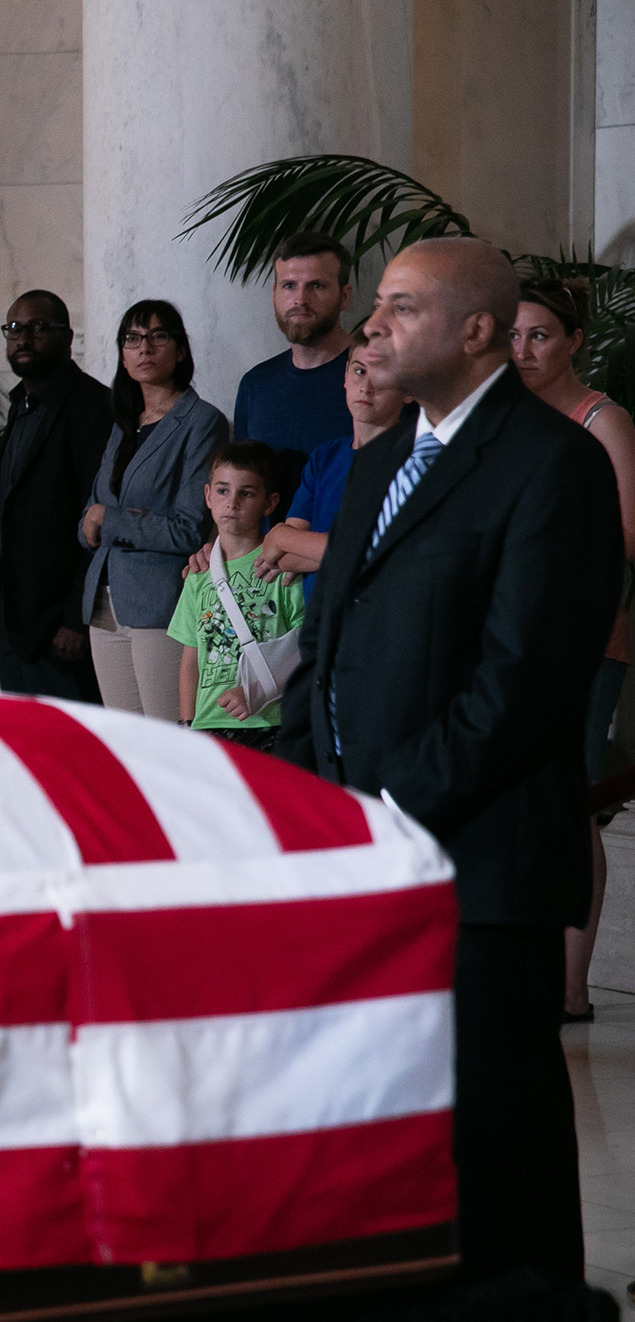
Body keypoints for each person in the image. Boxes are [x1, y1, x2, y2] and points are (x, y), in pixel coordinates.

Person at [276, 237, 620, 1282]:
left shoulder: (553, 465)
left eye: (399, 307)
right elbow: (322, 650)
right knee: (386, 1143)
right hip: (363, 852)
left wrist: (383, 800)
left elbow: (521, 687)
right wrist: (300, 793)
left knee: (493, 1145)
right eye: (375, 305)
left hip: (478, 863)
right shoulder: (381, 459)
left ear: (478, 331)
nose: (372, 326)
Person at [510, 276, 635, 1023]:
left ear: (575, 341)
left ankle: (572, 981)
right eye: (514, 335)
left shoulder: (602, 419)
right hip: (511, 633)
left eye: (541, 336)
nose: (524, 351)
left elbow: (627, 535)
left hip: (586, 634)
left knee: (573, 802)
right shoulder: (506, 416)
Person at [78, 300, 229, 721]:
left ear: (180, 350)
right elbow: (91, 511)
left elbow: (188, 528)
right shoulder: (125, 422)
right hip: (104, 603)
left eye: (158, 336)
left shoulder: (202, 422)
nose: (144, 347)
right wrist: (100, 521)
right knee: (127, 744)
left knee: (166, 742)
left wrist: (110, 520)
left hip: (160, 602)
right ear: (123, 356)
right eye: (133, 339)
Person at [183, 328, 411, 600]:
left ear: (408, 388)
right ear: (346, 377)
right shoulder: (324, 457)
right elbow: (281, 556)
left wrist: (283, 536)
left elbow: (383, 551)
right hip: (320, 619)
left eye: (382, 374)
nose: (366, 387)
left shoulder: (414, 458)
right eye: (360, 371)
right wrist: (291, 542)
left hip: (381, 612)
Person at [0, 290, 111, 700]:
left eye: (37, 328)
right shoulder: (22, 403)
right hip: (11, 613)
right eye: (14, 329)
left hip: (58, 625)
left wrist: (76, 618)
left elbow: (99, 518)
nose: (23, 339)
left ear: (68, 338)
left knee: (67, 751)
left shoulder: (93, 406)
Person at [166, 443, 302, 752]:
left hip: (270, 721)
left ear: (270, 502)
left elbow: (304, 643)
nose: (233, 503)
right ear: (208, 496)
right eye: (223, 491)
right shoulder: (199, 574)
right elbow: (191, 659)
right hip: (208, 724)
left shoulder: (282, 567)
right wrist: (188, 724)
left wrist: (256, 690)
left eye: (247, 494)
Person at [231, 231, 358, 507]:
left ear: (344, 297)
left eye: (317, 286)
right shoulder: (256, 384)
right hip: (266, 549)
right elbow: (239, 483)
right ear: (274, 293)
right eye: (289, 286)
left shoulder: (374, 379)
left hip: (344, 546)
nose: (300, 299)